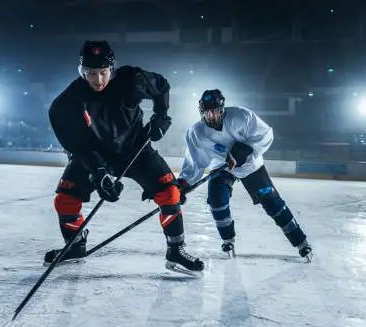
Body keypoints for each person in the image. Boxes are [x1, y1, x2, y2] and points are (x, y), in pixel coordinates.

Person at [46, 40, 204, 274]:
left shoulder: (131, 80)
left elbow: (161, 87)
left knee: (170, 193)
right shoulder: (65, 104)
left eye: (103, 73)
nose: (98, 81)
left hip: (135, 149)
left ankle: (176, 250)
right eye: (91, 74)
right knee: (65, 199)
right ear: (81, 71)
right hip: (94, 154)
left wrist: (161, 116)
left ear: (112, 69)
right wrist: (99, 172)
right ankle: (75, 245)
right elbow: (78, 147)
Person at [177, 89, 313, 261]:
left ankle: (300, 241)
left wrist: (246, 149)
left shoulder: (241, 116)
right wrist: (182, 184)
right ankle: (228, 239)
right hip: (222, 167)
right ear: (201, 112)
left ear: (222, 109)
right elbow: (195, 164)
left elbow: (266, 134)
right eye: (207, 112)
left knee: (272, 202)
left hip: (250, 166)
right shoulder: (196, 133)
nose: (211, 115)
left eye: (215, 111)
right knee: (216, 200)